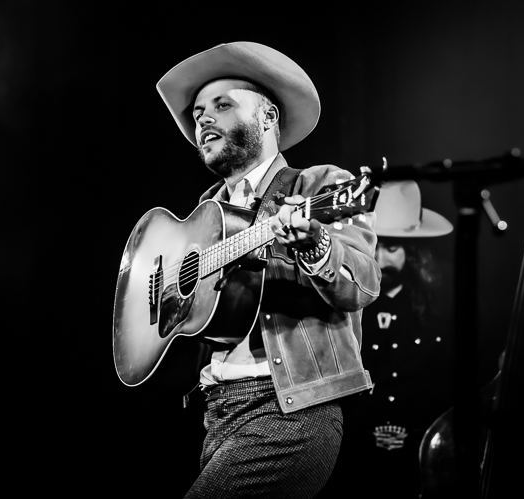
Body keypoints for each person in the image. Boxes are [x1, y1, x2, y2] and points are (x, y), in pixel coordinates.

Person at [153, 41, 383, 498]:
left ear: (268, 117)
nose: (202, 119)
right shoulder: (205, 211)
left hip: (291, 410)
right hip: (216, 411)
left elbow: (364, 283)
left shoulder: (322, 185)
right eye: (198, 111)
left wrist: (315, 242)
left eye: (222, 104)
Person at [322, 180, 455, 497]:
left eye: (392, 248)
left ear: (414, 252)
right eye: (376, 245)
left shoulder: (440, 306)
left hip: (422, 452)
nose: (380, 258)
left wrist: (413, 432)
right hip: (354, 454)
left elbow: (446, 381)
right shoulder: (344, 303)